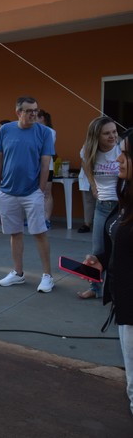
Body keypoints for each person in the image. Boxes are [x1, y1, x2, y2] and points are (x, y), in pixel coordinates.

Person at [83, 127, 133, 416]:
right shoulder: (125, 197)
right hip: (125, 305)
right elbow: (120, 242)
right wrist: (104, 259)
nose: (119, 160)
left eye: (126, 154)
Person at [0, 96, 55, 293]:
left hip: (32, 193)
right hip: (7, 191)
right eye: (29, 111)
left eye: (35, 110)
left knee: (39, 233)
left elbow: (45, 163)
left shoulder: (44, 132)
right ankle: (17, 273)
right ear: (18, 112)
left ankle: (47, 276)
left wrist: (40, 190)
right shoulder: (5, 130)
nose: (33, 114)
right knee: (15, 233)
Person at [77, 116, 120, 299]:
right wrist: (93, 185)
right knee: (97, 251)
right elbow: (85, 165)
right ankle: (95, 289)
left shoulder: (122, 149)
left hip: (122, 208)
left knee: (120, 251)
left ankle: (120, 291)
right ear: (97, 136)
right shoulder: (88, 150)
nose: (112, 136)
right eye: (107, 133)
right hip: (102, 206)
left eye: (114, 132)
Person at [37, 109, 55, 228]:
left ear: (42, 118)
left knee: (46, 192)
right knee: (35, 193)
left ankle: (46, 219)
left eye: (36, 116)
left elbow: (45, 146)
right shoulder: (32, 130)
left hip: (47, 165)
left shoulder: (50, 131)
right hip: (34, 166)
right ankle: (36, 218)